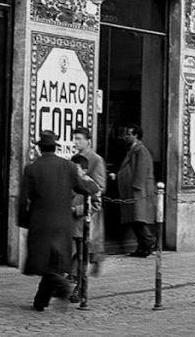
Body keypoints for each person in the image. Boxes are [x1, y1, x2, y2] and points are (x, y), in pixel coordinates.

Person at [18, 130, 99, 311]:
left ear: (40, 149)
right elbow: (89, 187)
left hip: (40, 222)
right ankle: (40, 301)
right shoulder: (68, 166)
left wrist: (23, 221)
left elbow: (23, 199)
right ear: (55, 148)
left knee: (43, 262)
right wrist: (90, 183)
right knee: (54, 262)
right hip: (64, 222)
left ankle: (62, 285)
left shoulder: (31, 169)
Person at [69, 127, 106, 302]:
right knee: (76, 251)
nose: (76, 142)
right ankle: (76, 280)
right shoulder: (74, 160)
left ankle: (80, 286)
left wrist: (82, 204)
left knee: (82, 250)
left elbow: (99, 186)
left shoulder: (96, 160)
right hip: (73, 214)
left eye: (79, 139)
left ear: (88, 141)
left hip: (86, 213)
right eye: (74, 139)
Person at [116, 125, 157, 257]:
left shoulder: (140, 150)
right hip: (135, 190)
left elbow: (141, 171)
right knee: (135, 219)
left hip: (138, 191)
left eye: (129, 134)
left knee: (138, 219)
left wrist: (136, 188)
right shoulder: (133, 150)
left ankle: (149, 242)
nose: (126, 136)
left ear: (136, 135)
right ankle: (143, 246)